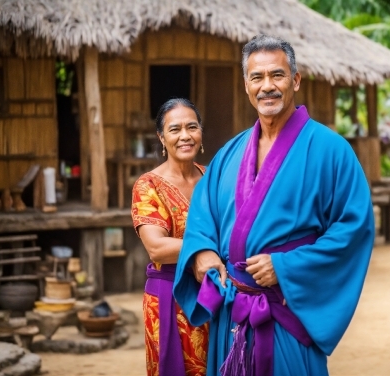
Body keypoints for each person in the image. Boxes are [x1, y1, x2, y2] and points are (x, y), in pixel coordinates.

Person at [173, 35, 375, 376]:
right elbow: (202, 218)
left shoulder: (331, 150)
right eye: (257, 77)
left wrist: (286, 266)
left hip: (284, 313)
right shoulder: (229, 154)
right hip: (234, 317)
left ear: (295, 80)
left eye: (277, 75)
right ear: (246, 85)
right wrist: (201, 253)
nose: (267, 86)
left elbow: (354, 229)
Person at [131, 98, 208, 376]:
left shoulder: (212, 179)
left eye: (192, 127)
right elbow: (157, 248)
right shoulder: (148, 185)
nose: (185, 136)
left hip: (213, 294)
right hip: (169, 299)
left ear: (201, 133)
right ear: (161, 138)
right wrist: (205, 251)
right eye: (175, 130)